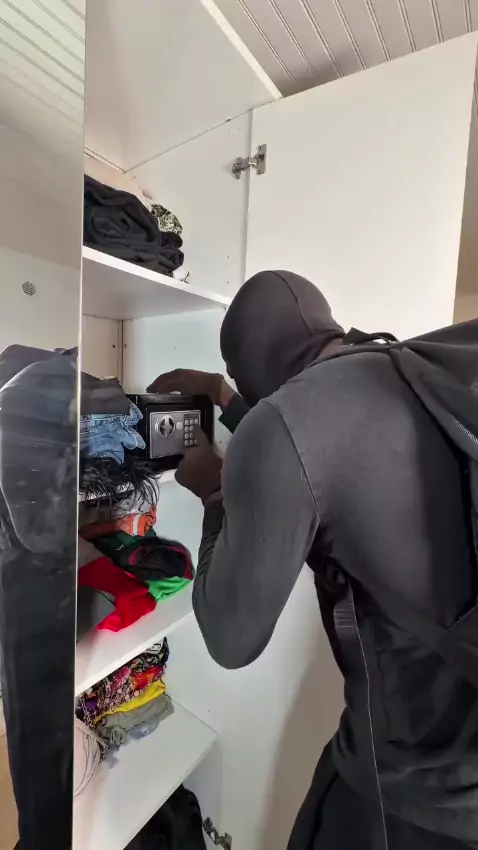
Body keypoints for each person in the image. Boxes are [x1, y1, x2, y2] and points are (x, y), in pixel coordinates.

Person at [148, 270, 478, 850]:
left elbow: (230, 640)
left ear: (249, 363)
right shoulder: (409, 367)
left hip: (409, 792)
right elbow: (317, 456)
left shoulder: (283, 425)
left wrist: (216, 495)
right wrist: (225, 397)